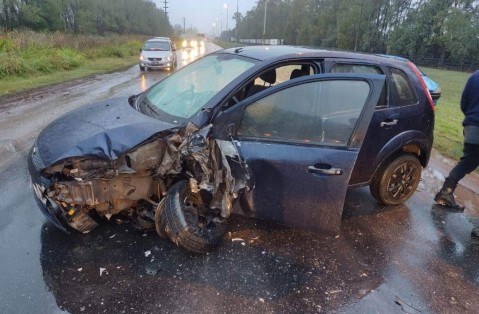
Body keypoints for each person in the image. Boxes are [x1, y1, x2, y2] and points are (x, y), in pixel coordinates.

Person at [434, 70, 479, 239]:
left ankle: (446, 192)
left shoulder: (475, 76)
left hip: (472, 127)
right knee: (469, 162)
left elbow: (464, 102)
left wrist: (472, 119)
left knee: (467, 162)